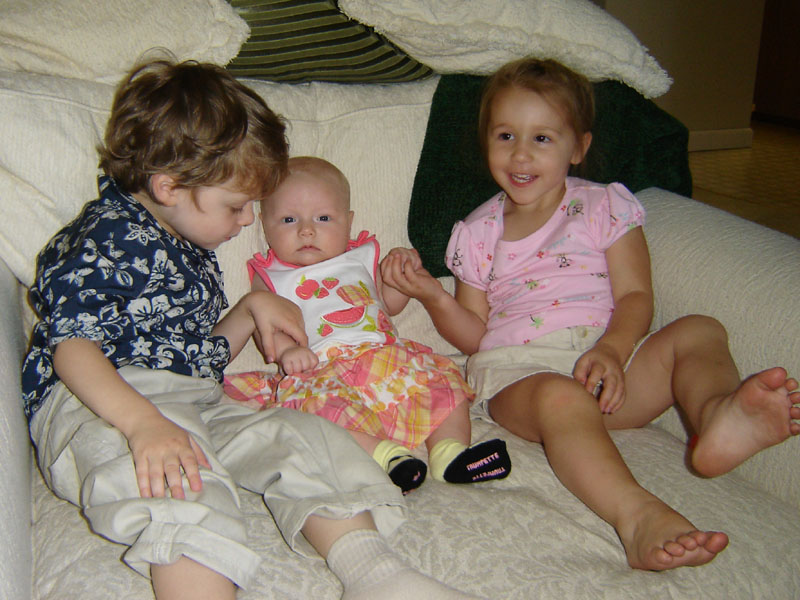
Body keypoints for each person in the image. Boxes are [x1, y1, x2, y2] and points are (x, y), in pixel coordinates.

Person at [21, 57, 481, 600]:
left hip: (193, 397)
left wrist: (249, 309)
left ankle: (376, 575)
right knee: (183, 485)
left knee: (304, 439)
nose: (246, 222)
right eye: (237, 207)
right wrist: (143, 424)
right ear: (168, 186)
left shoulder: (183, 241)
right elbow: (71, 347)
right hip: (102, 400)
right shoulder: (108, 235)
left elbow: (199, 357)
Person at [381, 57, 800, 571]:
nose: (520, 154)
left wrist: (614, 350)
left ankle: (716, 415)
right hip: (522, 375)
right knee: (561, 397)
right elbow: (475, 335)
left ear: (578, 147)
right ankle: (636, 516)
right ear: (486, 141)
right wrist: (433, 296)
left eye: (542, 138)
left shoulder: (605, 206)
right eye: (506, 135)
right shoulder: (477, 231)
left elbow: (636, 295)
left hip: (609, 370)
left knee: (700, 330)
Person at [225, 156, 510, 494]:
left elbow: (389, 305)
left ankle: (450, 453)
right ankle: (387, 458)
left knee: (442, 381)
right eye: (289, 219)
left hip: (385, 359)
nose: (306, 230)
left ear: (348, 222)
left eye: (323, 218)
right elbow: (266, 326)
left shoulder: (359, 257)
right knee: (316, 416)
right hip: (320, 370)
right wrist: (288, 352)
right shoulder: (271, 275)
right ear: (265, 225)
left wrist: (400, 273)